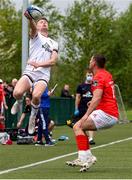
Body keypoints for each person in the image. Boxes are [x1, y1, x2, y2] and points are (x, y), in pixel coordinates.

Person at [66, 54, 119, 172]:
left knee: (77, 126)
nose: (89, 62)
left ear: (94, 63)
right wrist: (93, 102)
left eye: (90, 60)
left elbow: (97, 97)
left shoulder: (98, 77)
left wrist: (86, 115)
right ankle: (87, 157)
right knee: (79, 127)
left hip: (107, 113)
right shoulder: (107, 74)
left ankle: (84, 158)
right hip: (111, 112)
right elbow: (102, 96)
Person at [12, 8, 58, 135]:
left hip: (43, 74)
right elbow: (32, 27)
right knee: (17, 93)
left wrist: (39, 64)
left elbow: (53, 61)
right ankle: (19, 101)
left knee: (36, 96)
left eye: (45, 22)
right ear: (37, 26)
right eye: (41, 22)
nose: (43, 23)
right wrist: (30, 18)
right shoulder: (35, 36)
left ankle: (32, 116)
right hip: (30, 72)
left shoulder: (54, 43)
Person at [74, 70, 95, 145]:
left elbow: (97, 96)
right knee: (81, 124)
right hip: (82, 107)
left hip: (91, 107)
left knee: (90, 122)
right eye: (88, 75)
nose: (89, 76)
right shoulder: (81, 86)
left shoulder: (94, 85)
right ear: (86, 76)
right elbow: (78, 97)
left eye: (91, 75)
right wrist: (76, 108)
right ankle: (86, 137)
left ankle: (91, 138)